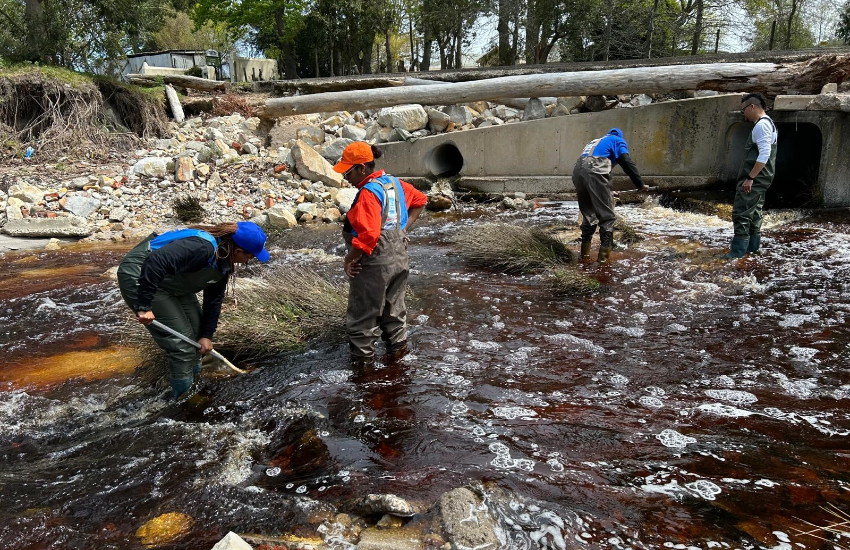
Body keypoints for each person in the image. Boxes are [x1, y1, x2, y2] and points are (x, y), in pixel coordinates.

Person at [117, 221, 270, 398]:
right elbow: (155, 262)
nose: (247, 262)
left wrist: (207, 335)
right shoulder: (201, 247)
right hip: (140, 274)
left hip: (171, 281)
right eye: (250, 258)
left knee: (197, 340)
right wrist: (144, 306)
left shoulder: (224, 261)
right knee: (182, 347)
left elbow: (214, 300)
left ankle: (194, 381)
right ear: (238, 251)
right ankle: (183, 401)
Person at [333, 142, 428, 362]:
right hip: (399, 258)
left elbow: (368, 236)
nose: (345, 177)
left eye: (348, 171)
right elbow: (420, 200)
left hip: (374, 264)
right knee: (394, 314)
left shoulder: (367, 194)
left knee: (362, 321)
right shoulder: (393, 183)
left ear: (362, 168)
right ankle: (398, 363)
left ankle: (363, 373)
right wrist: (401, 229)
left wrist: (349, 259)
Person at [572, 127, 646, 262]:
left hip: (578, 170)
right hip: (595, 169)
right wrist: (639, 184)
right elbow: (625, 160)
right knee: (607, 217)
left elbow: (589, 171)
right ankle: (603, 261)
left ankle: (584, 257)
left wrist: (607, 191)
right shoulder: (617, 140)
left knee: (589, 215)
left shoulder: (596, 141)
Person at [723, 92, 778, 258]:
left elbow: (764, 154)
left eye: (743, 110)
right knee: (754, 212)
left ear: (752, 106)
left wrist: (750, 178)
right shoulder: (769, 123)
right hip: (764, 177)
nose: (743, 114)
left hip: (756, 178)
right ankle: (752, 250)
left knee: (741, 212)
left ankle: (737, 253)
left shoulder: (761, 125)